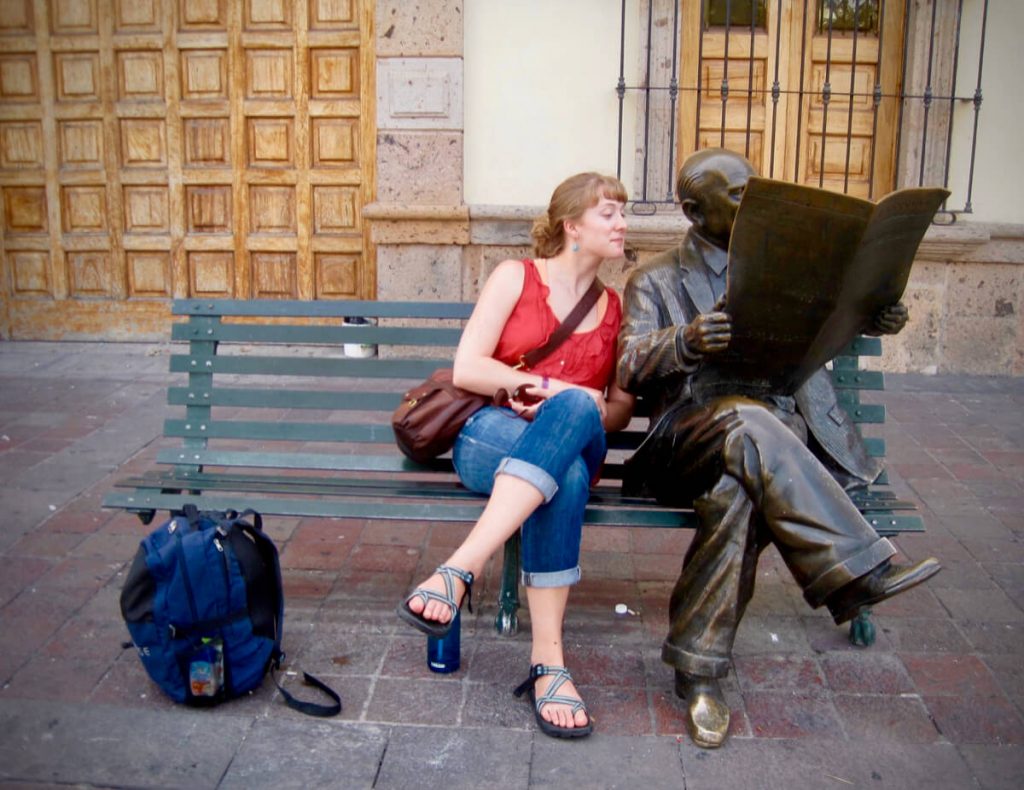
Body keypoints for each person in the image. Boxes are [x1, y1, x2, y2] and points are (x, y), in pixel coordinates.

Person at [617, 148, 941, 749]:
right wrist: (685, 341)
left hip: (775, 439)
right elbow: (629, 364)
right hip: (688, 441)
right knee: (743, 420)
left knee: (734, 496)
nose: (755, 203)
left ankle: (700, 675)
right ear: (693, 210)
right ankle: (854, 568)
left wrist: (874, 312)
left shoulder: (785, 269)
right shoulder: (655, 278)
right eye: (739, 194)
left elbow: (827, 322)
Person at [397, 172, 635, 739]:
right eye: (609, 213)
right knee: (568, 477)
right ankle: (549, 665)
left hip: (579, 435)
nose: (622, 222)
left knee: (577, 414)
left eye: (623, 213)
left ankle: (458, 570)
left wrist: (575, 405)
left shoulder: (616, 308)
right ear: (571, 226)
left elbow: (620, 409)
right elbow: (467, 369)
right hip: (491, 436)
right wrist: (549, 392)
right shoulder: (515, 277)